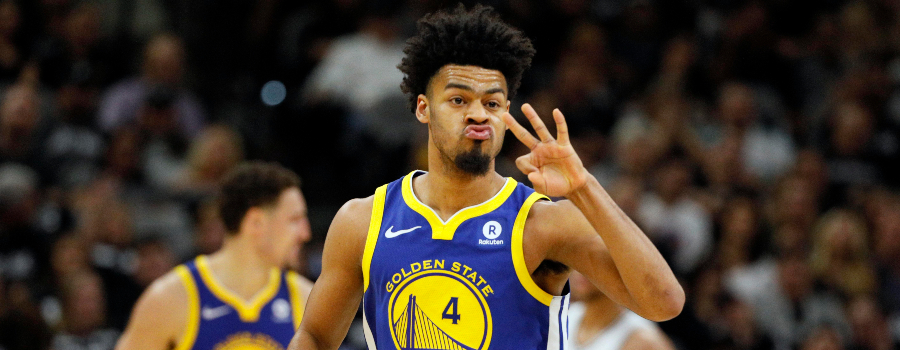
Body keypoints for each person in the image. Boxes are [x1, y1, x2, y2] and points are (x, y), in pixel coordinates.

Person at [289, 5, 683, 350]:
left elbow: (664, 303)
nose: (479, 114)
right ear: (424, 109)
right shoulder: (363, 221)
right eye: (459, 100)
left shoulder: (543, 223)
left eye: (492, 103)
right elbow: (315, 336)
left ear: (506, 113)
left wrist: (584, 187)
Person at [116, 161, 314, 350]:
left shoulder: (307, 299)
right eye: (295, 219)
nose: (306, 233)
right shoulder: (171, 298)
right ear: (256, 222)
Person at [566, 271, 674, 350]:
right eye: (578, 257)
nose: (582, 269)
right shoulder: (566, 315)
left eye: (594, 260)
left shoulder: (643, 340)